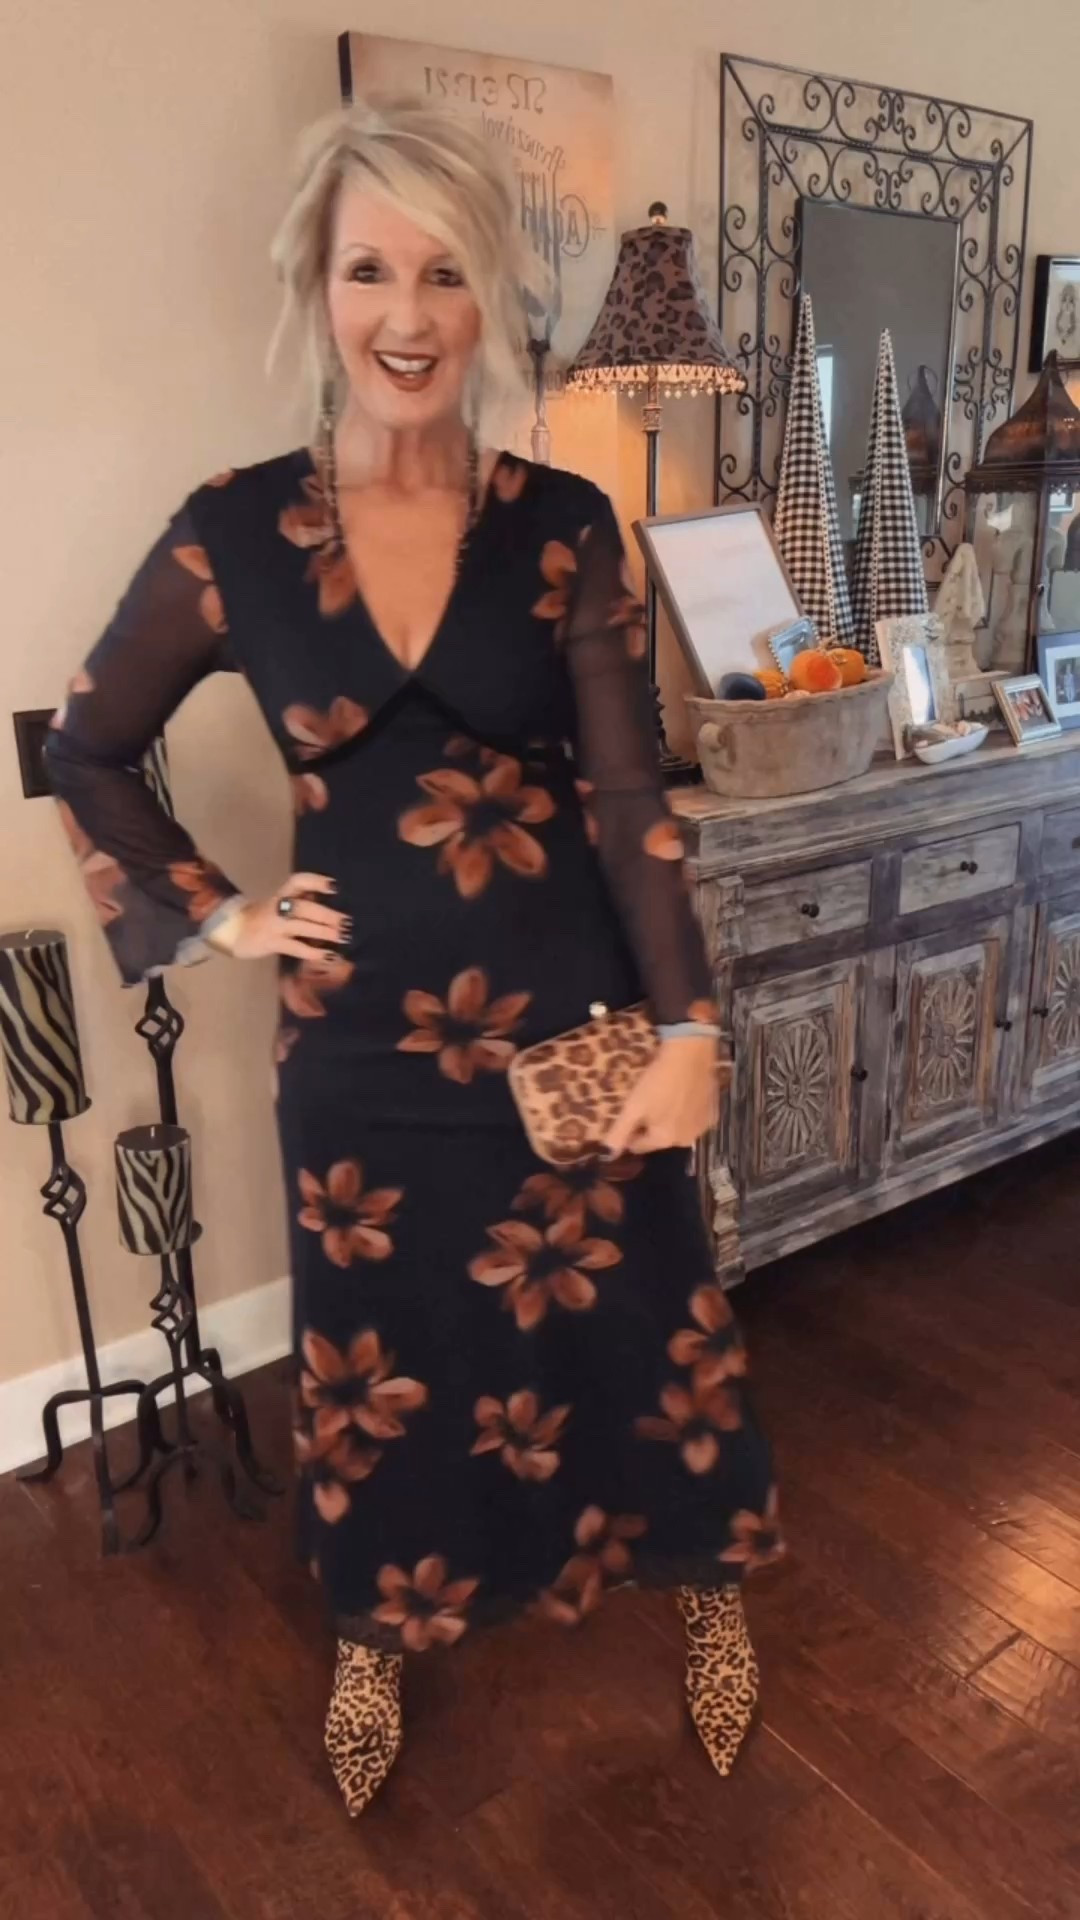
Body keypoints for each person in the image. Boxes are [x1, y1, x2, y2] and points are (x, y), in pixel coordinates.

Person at [46, 97, 779, 1817]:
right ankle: (379, 1630)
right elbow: (86, 746)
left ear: (491, 296)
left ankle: (708, 1593)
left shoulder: (565, 524)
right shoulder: (232, 532)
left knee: (647, 1328)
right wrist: (217, 910)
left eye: (446, 272)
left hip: (573, 1028)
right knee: (383, 1359)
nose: (407, 311)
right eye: (370, 267)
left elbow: (626, 798)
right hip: (360, 1056)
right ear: (317, 285)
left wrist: (690, 1030)